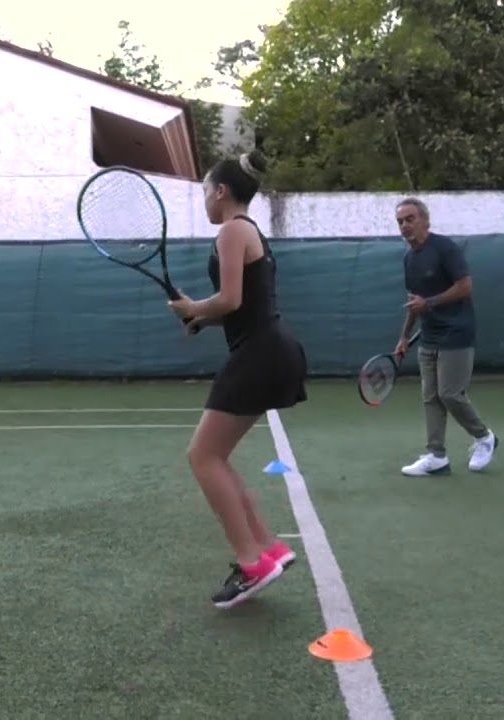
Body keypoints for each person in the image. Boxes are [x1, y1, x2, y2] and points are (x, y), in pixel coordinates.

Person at [167, 149, 307, 609]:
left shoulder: (231, 229)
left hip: (261, 353)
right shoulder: (247, 231)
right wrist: (198, 318)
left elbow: (228, 299)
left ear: (222, 192)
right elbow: (239, 306)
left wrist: (196, 309)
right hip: (269, 349)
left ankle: (252, 564)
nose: (204, 199)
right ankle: (268, 548)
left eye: (206, 190)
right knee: (216, 456)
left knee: (202, 456)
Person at [392, 197, 499, 476]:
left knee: (450, 393)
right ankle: (436, 456)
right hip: (429, 336)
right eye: (400, 221)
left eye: (410, 219)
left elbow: (465, 287)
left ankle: (484, 437)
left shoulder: (445, 248)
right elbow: (413, 301)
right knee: (431, 398)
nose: (405, 225)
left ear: (425, 220)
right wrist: (404, 337)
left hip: (457, 332)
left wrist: (429, 303)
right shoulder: (408, 259)